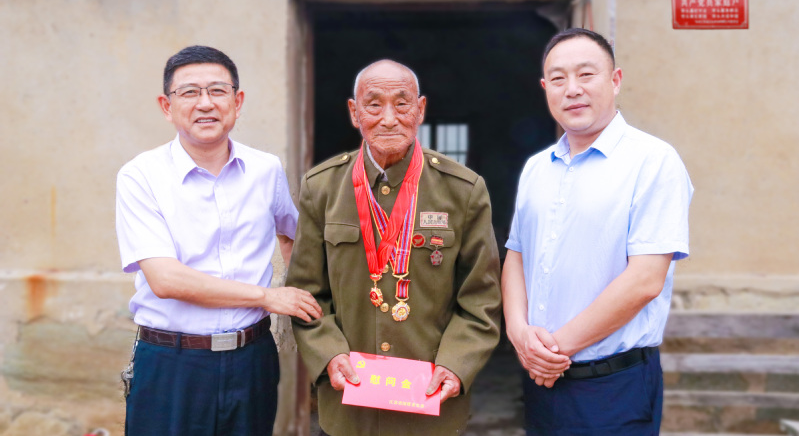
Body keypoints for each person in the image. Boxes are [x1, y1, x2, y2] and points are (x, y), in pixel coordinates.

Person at [286, 59, 501, 435]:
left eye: (402, 104)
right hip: (350, 405)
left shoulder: (463, 191)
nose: (389, 119)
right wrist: (329, 353)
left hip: (430, 403)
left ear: (420, 109)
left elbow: (481, 298)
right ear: (354, 112)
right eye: (374, 104)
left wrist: (456, 363)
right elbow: (307, 293)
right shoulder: (322, 188)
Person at [115, 45, 322, 435]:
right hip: (173, 362)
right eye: (190, 92)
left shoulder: (266, 169)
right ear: (166, 106)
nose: (205, 103)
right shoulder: (140, 176)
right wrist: (267, 296)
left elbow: (294, 236)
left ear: (237, 102)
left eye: (217, 91)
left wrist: (299, 291)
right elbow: (165, 279)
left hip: (252, 360)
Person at [502, 28, 693, 435]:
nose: (572, 89)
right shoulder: (537, 168)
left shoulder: (653, 161)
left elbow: (645, 280)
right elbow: (516, 255)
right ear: (545, 88)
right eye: (558, 78)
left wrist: (553, 350)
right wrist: (519, 335)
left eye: (586, 75)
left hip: (614, 386)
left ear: (615, 80)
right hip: (541, 380)